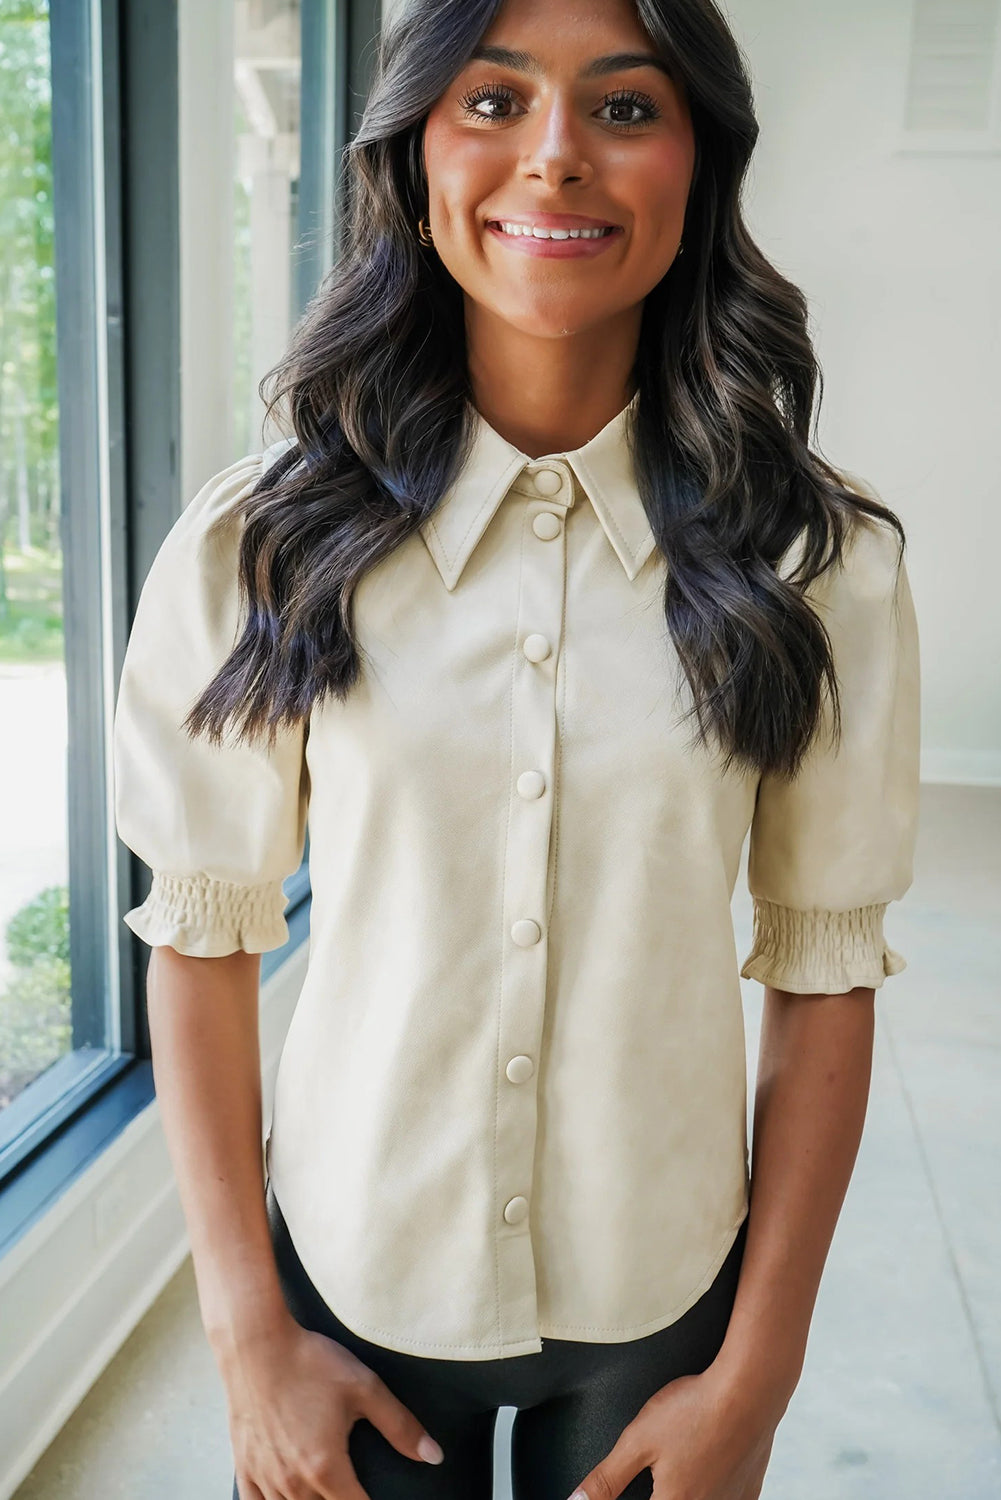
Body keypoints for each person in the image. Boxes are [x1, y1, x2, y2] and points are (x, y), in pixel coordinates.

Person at [111, 0, 921, 1496]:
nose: (553, 160)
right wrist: (245, 1339)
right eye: (491, 103)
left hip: (661, 1297)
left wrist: (755, 1379)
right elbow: (203, 940)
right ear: (414, 155)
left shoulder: (821, 564)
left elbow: (824, 977)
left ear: (699, 165)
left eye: (623, 109)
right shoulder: (262, 543)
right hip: (350, 1277)